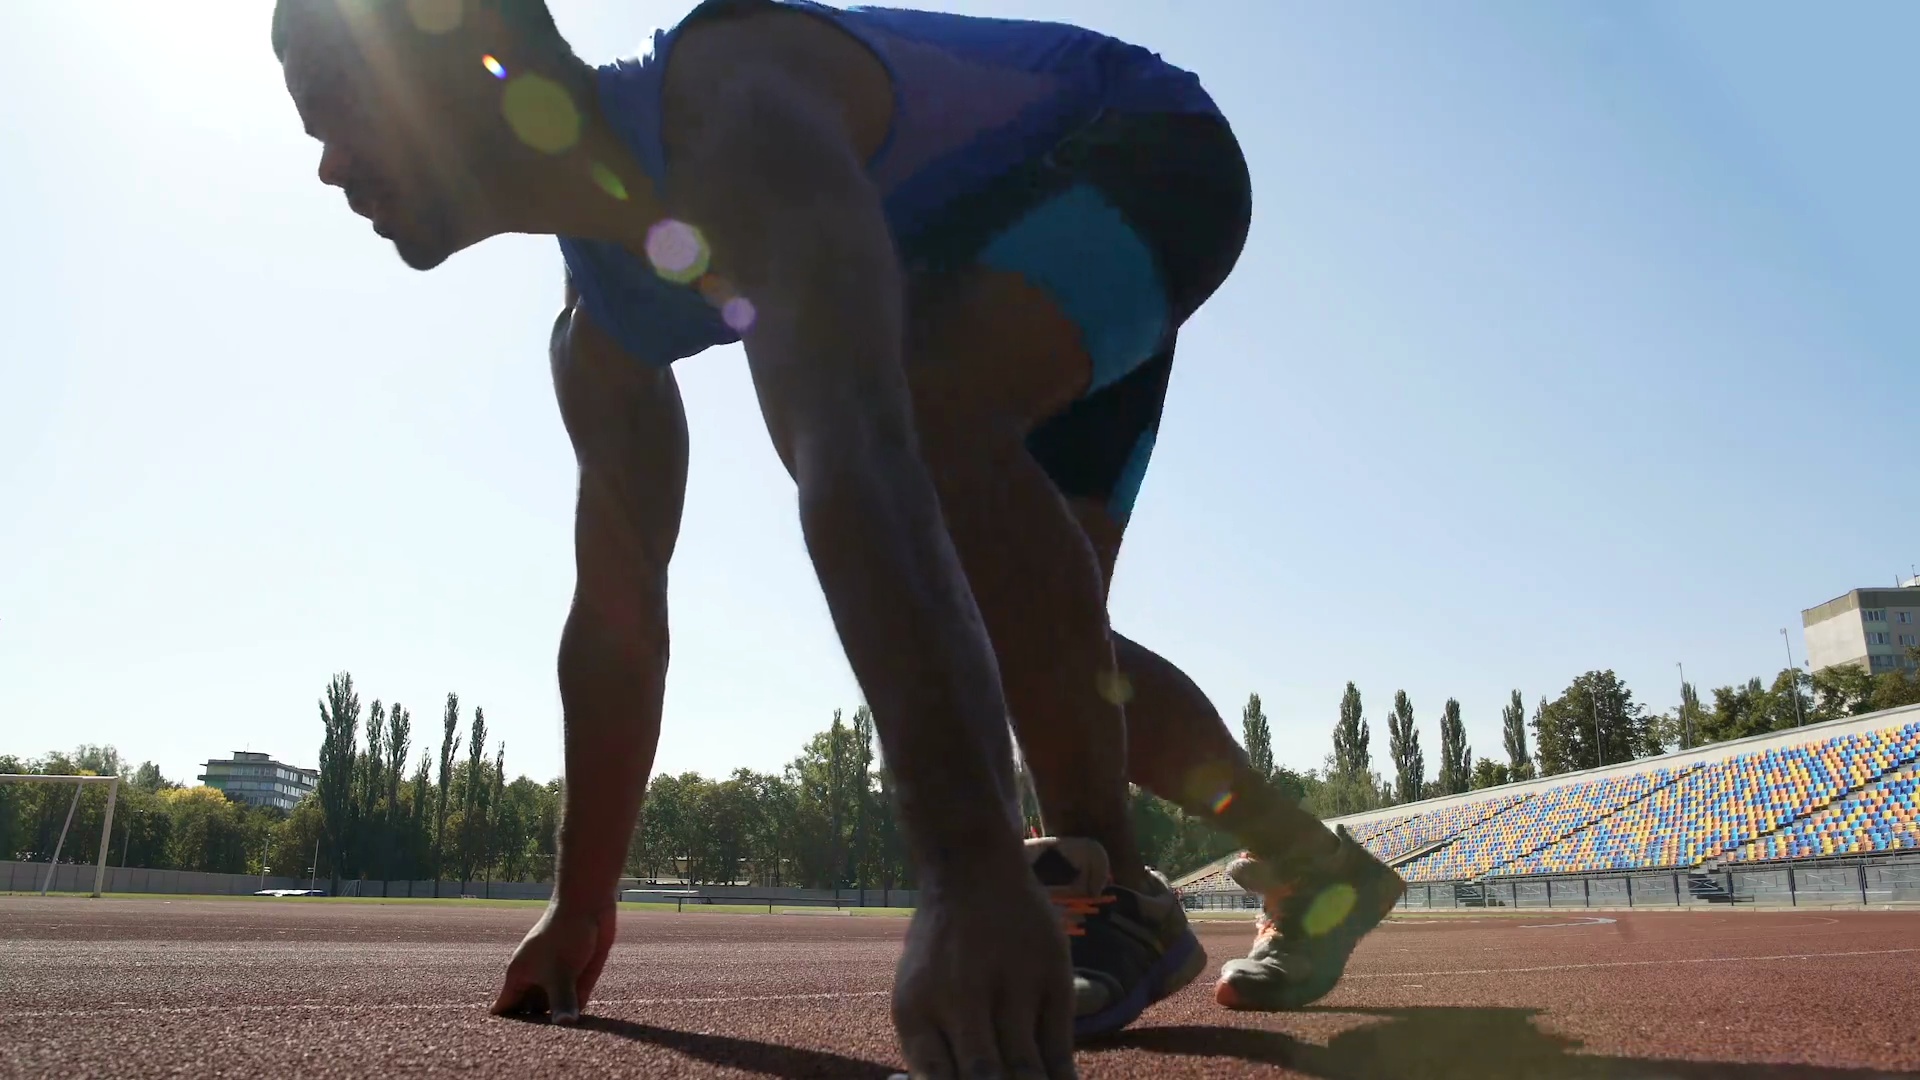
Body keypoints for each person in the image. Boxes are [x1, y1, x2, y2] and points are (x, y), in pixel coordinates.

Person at [270, 0, 1405, 1074]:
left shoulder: (735, 102)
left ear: (458, 57)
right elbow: (617, 617)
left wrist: (966, 870)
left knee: (915, 422)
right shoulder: (598, 336)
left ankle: (1103, 886)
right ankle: (1308, 866)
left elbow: (859, 455)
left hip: (1145, 153)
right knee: (1035, 638)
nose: (322, 159)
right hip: (990, 256)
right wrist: (581, 899)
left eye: (330, 97)